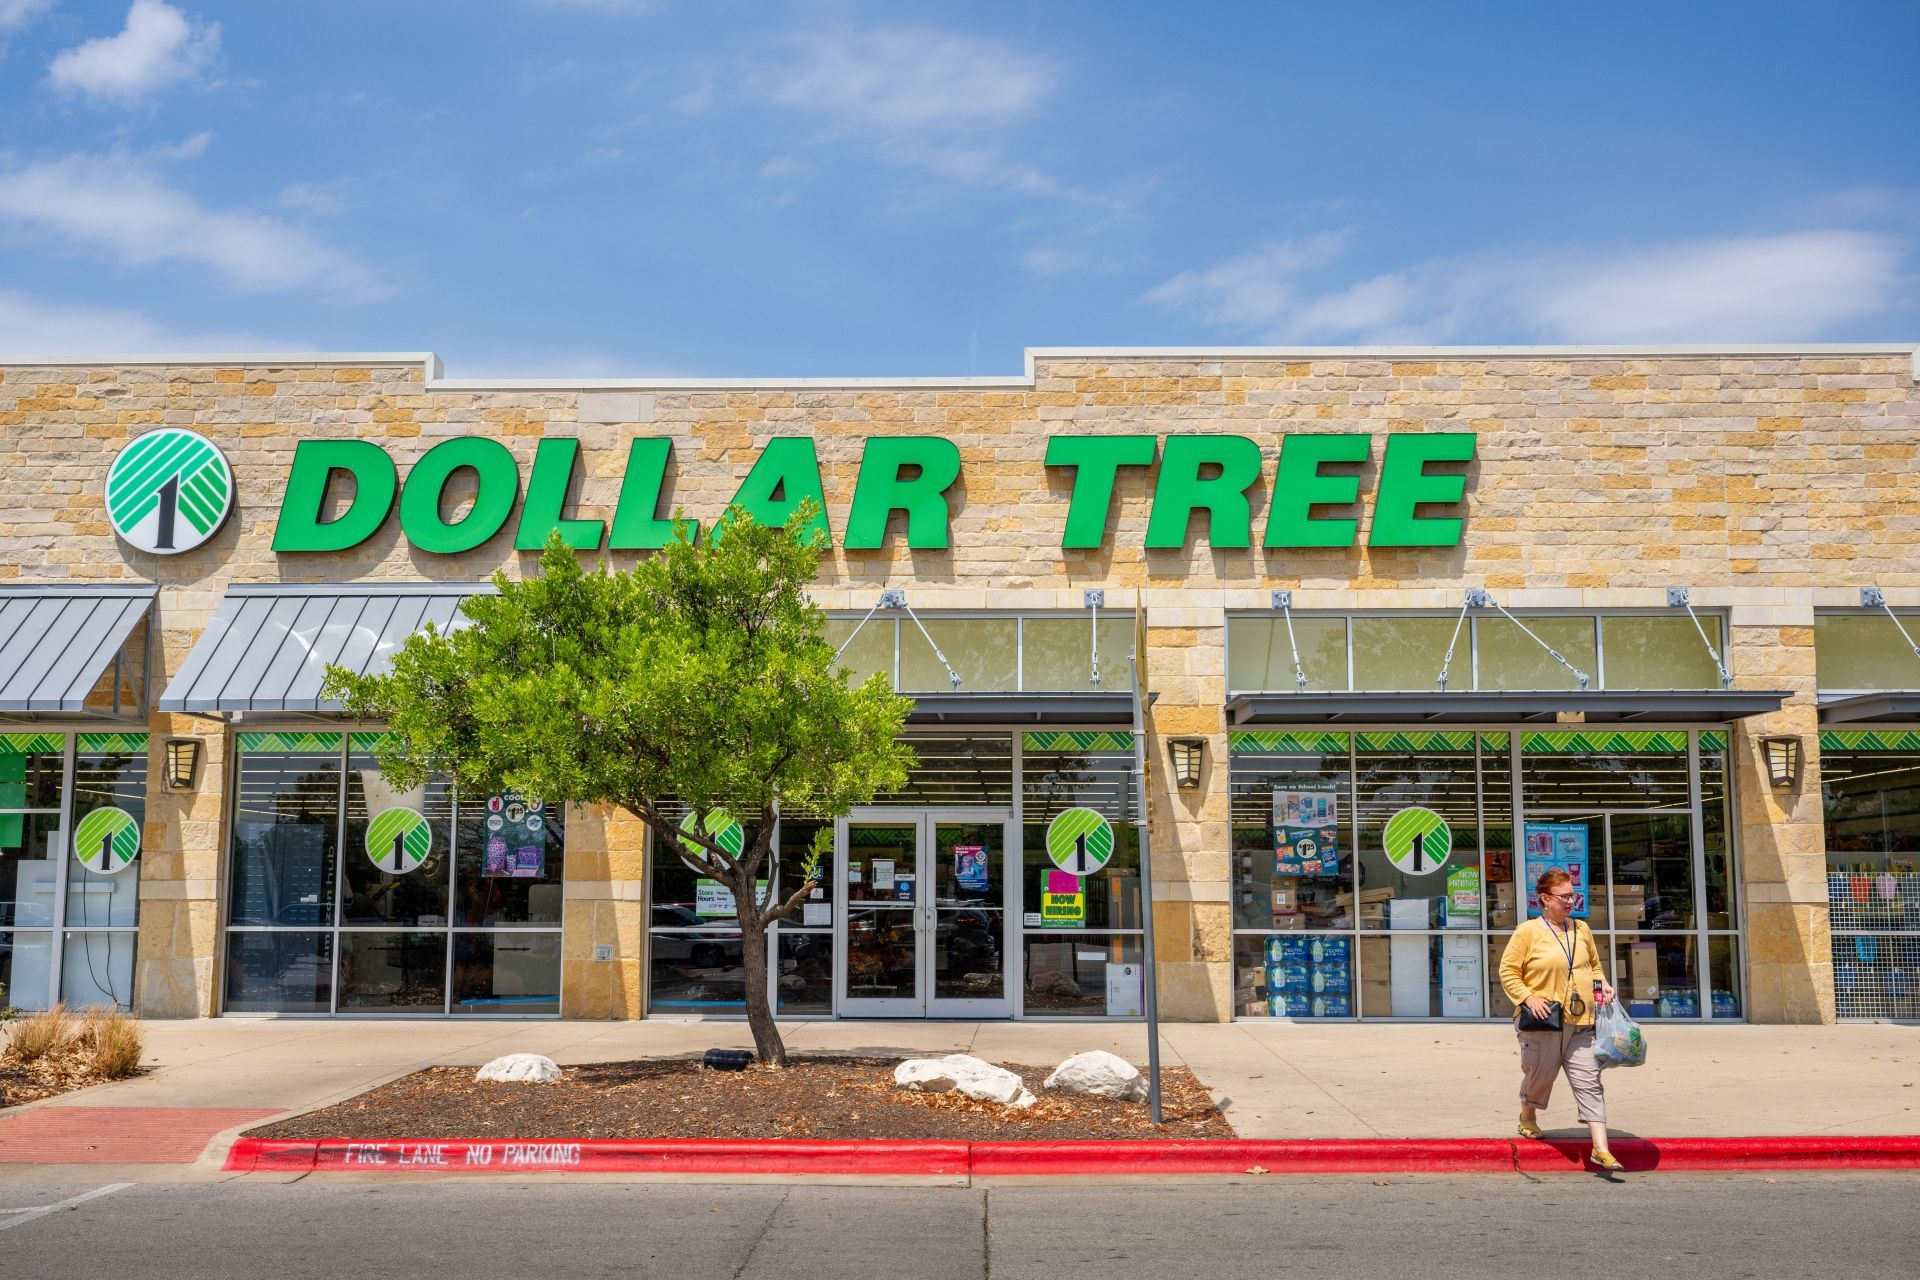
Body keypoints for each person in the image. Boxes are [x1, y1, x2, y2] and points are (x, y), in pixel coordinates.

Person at [1499, 867, 1621, 1171]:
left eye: (1572, 896)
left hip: (1581, 1021)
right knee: (1541, 1075)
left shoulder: (1581, 930)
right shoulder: (1527, 931)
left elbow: (1593, 966)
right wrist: (1528, 997)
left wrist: (1602, 984)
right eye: (1563, 896)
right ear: (1544, 898)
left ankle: (1601, 1148)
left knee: (1589, 1079)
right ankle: (1528, 1115)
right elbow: (1508, 971)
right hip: (1543, 1020)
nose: (1570, 902)